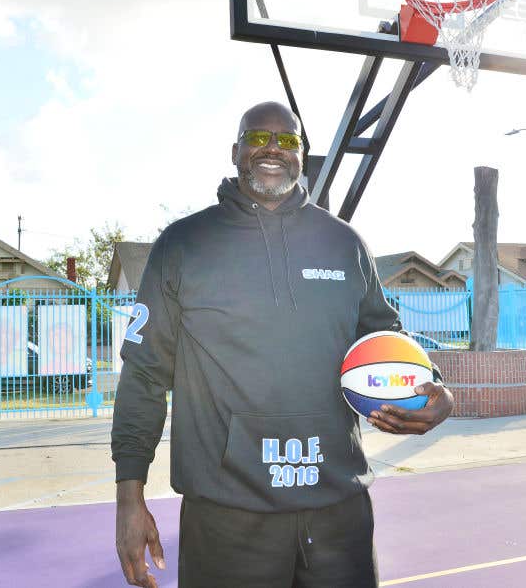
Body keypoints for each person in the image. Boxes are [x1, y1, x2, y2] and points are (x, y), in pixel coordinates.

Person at [112, 101, 454, 587]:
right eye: (258, 137)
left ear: (302, 156)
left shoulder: (344, 244)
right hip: (228, 516)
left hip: (338, 509)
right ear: (235, 151)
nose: (273, 148)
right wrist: (130, 496)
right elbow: (143, 375)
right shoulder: (183, 245)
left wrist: (436, 391)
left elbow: (387, 341)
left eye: (288, 140)